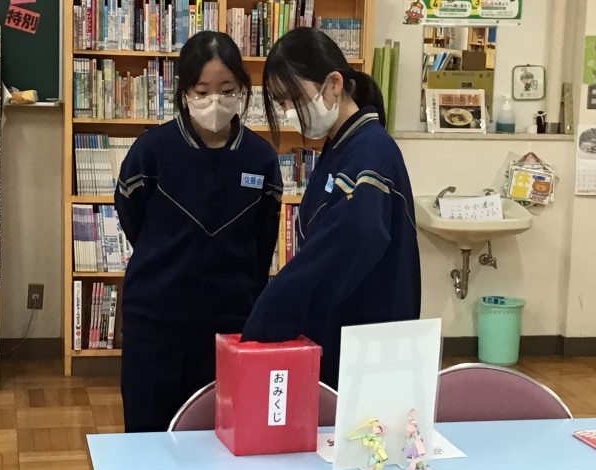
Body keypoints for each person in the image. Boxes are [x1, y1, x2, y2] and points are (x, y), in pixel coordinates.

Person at [115, 31, 282, 433]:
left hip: (229, 325)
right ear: (184, 91)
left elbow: (264, 240)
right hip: (156, 321)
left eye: (227, 89)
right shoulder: (151, 150)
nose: (215, 101)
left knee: (218, 440)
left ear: (243, 89)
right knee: (147, 439)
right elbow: (131, 217)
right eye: (202, 91)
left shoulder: (260, 158)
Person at [241, 28, 421, 389]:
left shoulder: (371, 150)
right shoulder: (340, 146)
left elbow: (348, 240)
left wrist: (273, 312)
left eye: (293, 98)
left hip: (364, 345)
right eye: (281, 103)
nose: (288, 112)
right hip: (342, 338)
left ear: (334, 84)